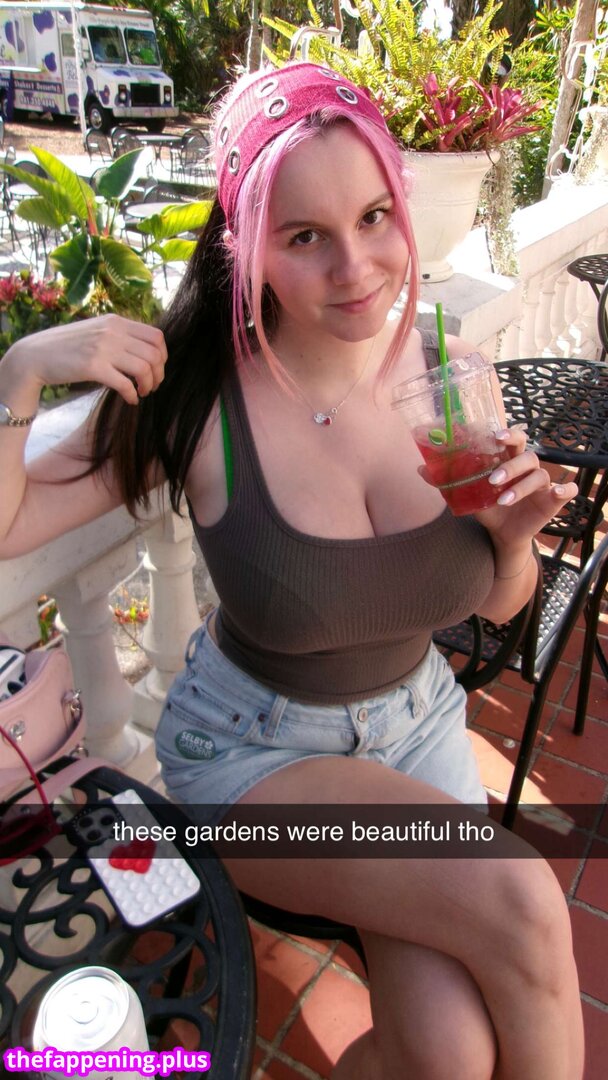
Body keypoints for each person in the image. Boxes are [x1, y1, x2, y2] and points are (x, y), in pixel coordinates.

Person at [0, 62, 583, 1079]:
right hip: (257, 754)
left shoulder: (447, 367)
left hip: (418, 733)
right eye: (304, 235)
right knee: (526, 899)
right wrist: (20, 372)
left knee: (444, 1051)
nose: (355, 267)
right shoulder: (198, 400)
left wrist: (509, 536)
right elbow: (11, 524)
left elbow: (501, 605)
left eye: (373, 217)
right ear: (246, 245)